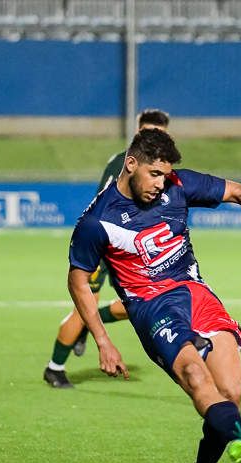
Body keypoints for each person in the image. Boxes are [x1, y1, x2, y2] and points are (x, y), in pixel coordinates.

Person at [67, 128, 241, 463]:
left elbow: (238, 191)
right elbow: (78, 281)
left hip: (195, 294)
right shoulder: (97, 221)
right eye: (154, 174)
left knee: (231, 392)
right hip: (151, 308)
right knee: (195, 374)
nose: (161, 184)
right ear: (131, 165)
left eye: (165, 175)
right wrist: (103, 340)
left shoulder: (179, 185)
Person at [43, 109, 170, 389]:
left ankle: (90, 323)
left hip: (132, 247)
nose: (151, 138)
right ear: (137, 133)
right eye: (146, 132)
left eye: (158, 134)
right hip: (106, 244)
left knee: (139, 304)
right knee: (81, 309)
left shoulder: (161, 168)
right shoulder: (126, 162)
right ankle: (55, 368)